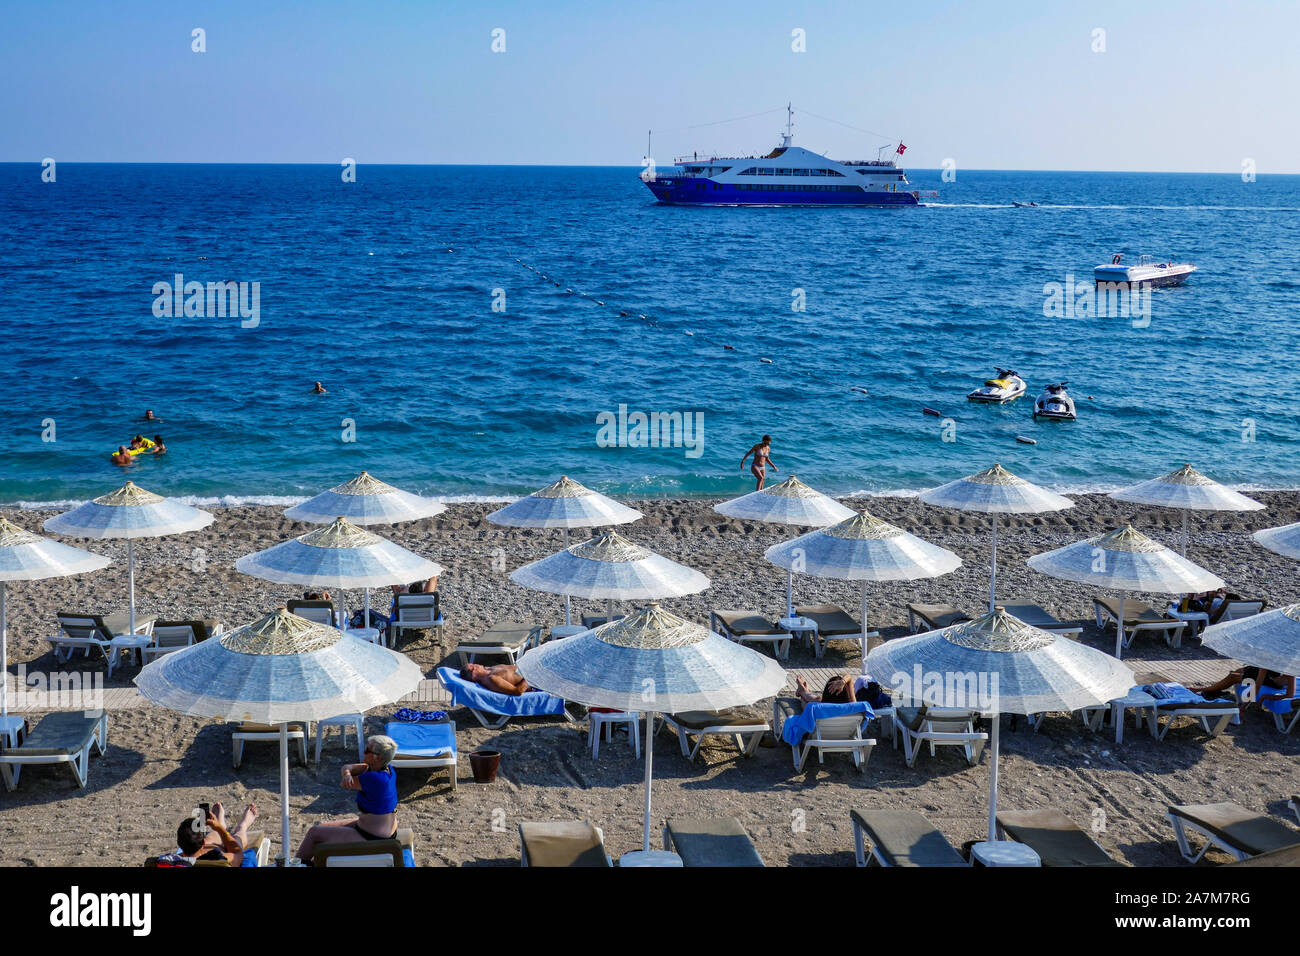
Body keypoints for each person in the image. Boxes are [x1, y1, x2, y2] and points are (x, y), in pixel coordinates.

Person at [295, 735, 399, 862]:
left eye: (367, 750)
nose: (363, 752)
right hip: (379, 830)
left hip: (372, 838)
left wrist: (347, 776)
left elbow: (344, 782)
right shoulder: (387, 770)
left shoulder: (374, 779)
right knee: (321, 827)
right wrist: (347, 773)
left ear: (378, 758)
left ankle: (297, 864)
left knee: (314, 833)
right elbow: (347, 767)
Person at [157, 802, 257, 867]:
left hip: (192, 855)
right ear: (203, 842)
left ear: (179, 843)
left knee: (207, 841)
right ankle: (240, 828)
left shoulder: (166, 861)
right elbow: (238, 854)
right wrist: (219, 829)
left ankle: (221, 824)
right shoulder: (218, 860)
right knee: (236, 843)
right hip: (211, 855)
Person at [1190, 668, 1295, 714]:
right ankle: (1214, 691)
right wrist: (1244, 707)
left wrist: (1265, 697)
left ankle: (1203, 690)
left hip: (1266, 680)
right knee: (1239, 671)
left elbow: (1289, 694)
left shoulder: (1289, 671)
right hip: (1259, 674)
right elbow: (1257, 686)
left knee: (1233, 676)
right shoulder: (1267, 665)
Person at [794, 674, 889, 708]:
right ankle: (804, 691)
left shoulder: (817, 709)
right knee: (819, 698)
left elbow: (805, 707)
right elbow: (849, 679)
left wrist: (803, 696)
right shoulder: (853, 706)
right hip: (846, 733)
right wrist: (843, 681)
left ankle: (803, 692)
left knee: (808, 703)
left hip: (824, 734)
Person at [460, 662, 532, 696]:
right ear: (474, 676)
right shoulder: (492, 679)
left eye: (473, 664)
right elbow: (518, 691)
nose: (475, 665)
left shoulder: (489, 669)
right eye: (473, 667)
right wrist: (530, 676)